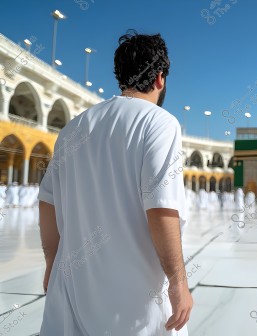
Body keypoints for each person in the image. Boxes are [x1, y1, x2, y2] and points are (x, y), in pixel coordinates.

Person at [38, 32, 192, 335]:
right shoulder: (159, 123)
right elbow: (160, 207)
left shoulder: (73, 128)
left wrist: (51, 264)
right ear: (160, 78)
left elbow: (47, 203)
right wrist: (178, 281)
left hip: (72, 299)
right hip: (136, 308)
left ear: (121, 77)